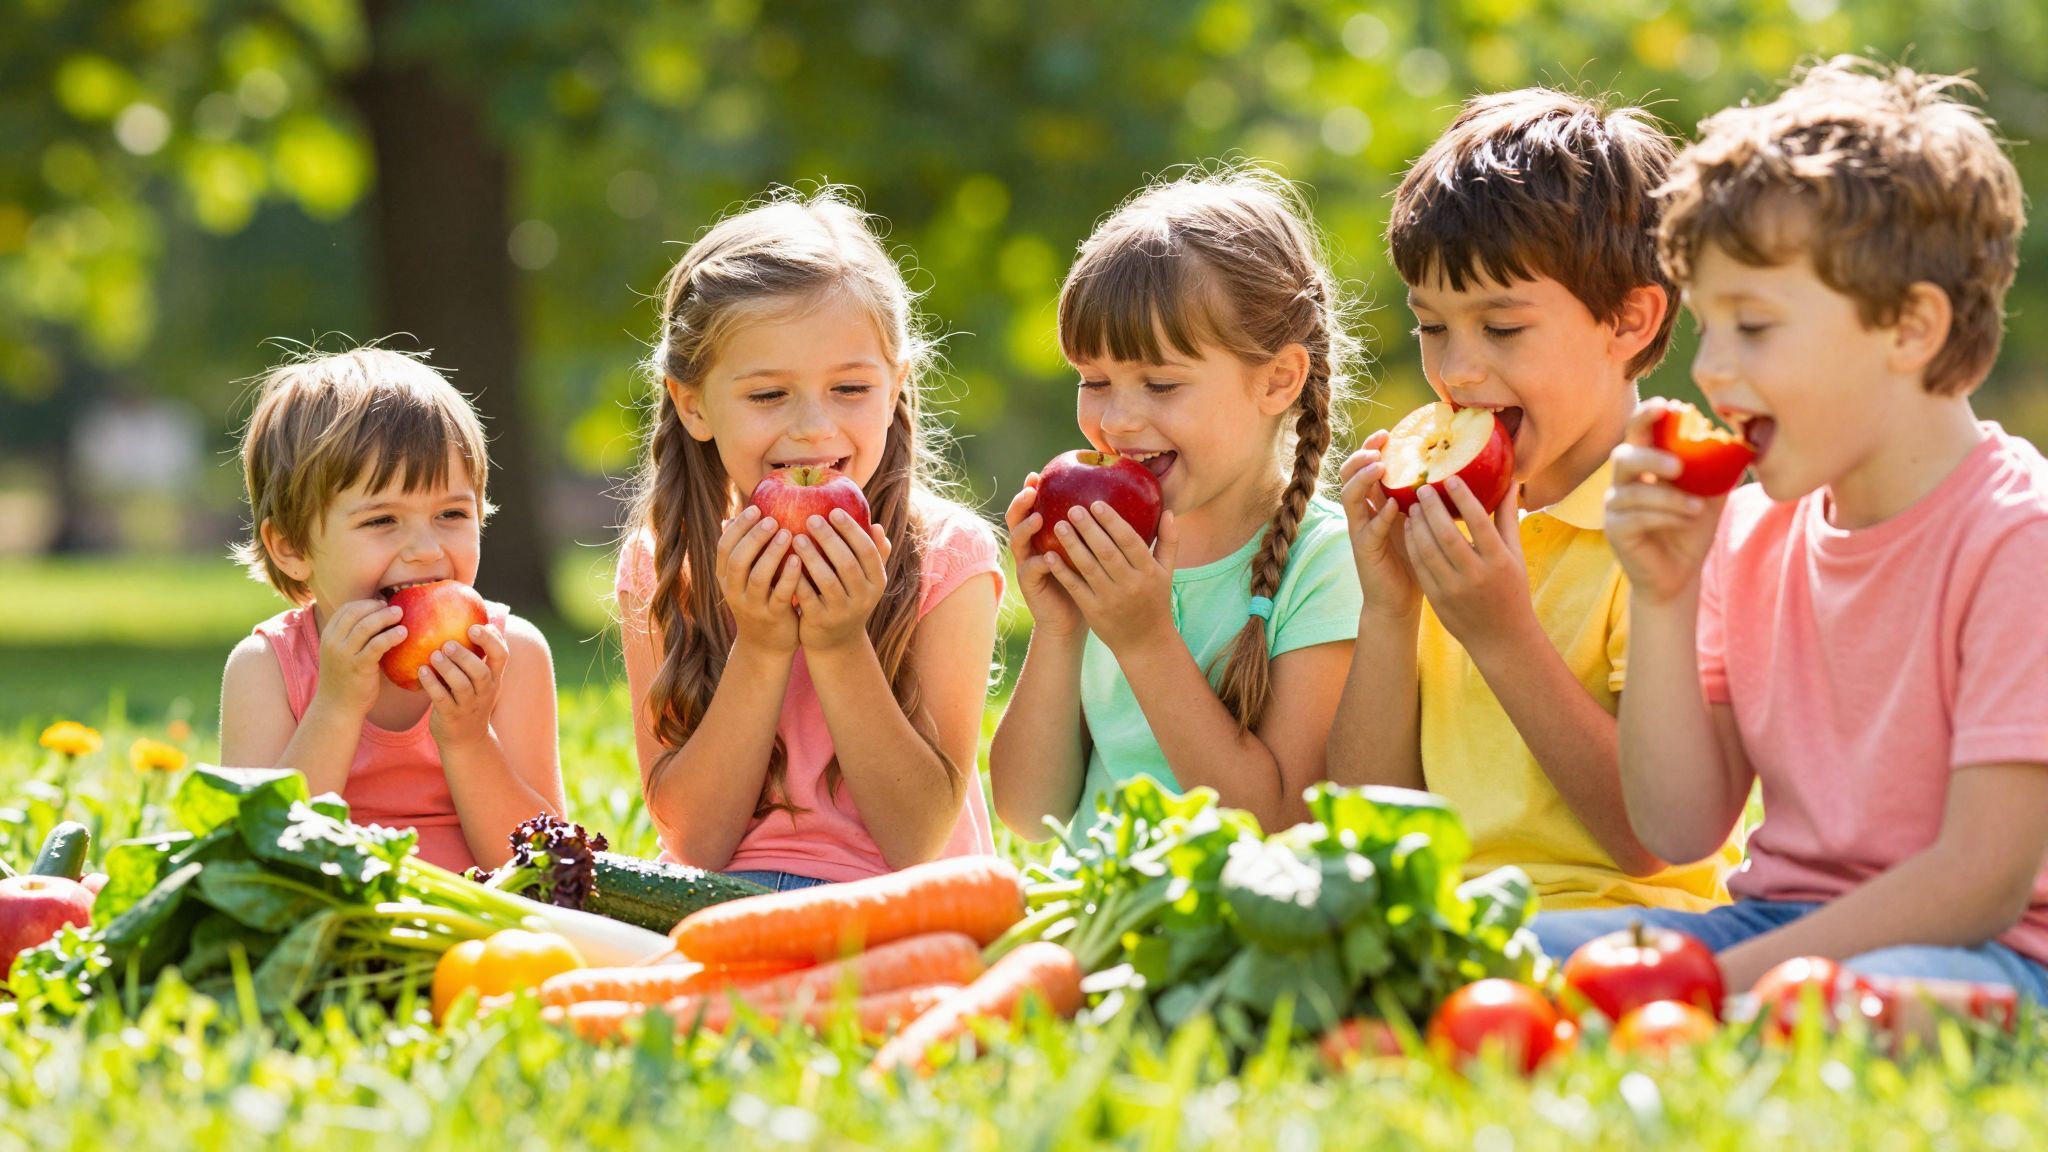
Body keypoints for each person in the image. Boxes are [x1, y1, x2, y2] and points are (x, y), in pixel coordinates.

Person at [1531, 58, 2048, 1001]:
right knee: (1515, 949)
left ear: (1910, 329)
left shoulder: (2019, 538)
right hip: (1772, 920)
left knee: (1835, 1006)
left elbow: (1980, 882)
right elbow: (1679, 827)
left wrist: (1712, 982)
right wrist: (1664, 592)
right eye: (1708, 329)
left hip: (1988, 951)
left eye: (1755, 328)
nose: (1716, 372)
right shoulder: (1752, 521)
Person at [1327, 88, 1738, 912]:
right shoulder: (1448, 520)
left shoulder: (1671, 521)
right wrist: (1389, 608)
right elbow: (1371, 819)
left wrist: (1502, 632)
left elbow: (1650, 839)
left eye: (1502, 328)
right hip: (1448, 920)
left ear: (1627, 321)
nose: (1459, 371)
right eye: (1432, 326)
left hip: (1615, 923)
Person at [616, 189, 1002, 892]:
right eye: (769, 396)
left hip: (901, 909)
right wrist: (762, 644)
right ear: (693, 403)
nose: (813, 429)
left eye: (850, 388)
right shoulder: (664, 563)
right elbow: (696, 841)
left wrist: (836, 640)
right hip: (722, 902)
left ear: (895, 388)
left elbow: (918, 838)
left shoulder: (949, 558)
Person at [990, 166, 1362, 838]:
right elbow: (1029, 816)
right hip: (1094, 916)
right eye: (1095, 380)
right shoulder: (1109, 552)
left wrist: (1143, 638)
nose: (1119, 420)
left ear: (1278, 380)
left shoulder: (1328, 564)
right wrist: (1060, 628)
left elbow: (1276, 823)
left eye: (1161, 384)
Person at [220, 346, 563, 871]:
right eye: (382, 521)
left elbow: (545, 868)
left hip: (480, 925)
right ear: (291, 546)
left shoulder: (510, 655)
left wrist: (470, 741)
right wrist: (334, 708)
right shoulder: (266, 668)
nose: (425, 549)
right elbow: (258, 860)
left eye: (451, 512)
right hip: (329, 921)